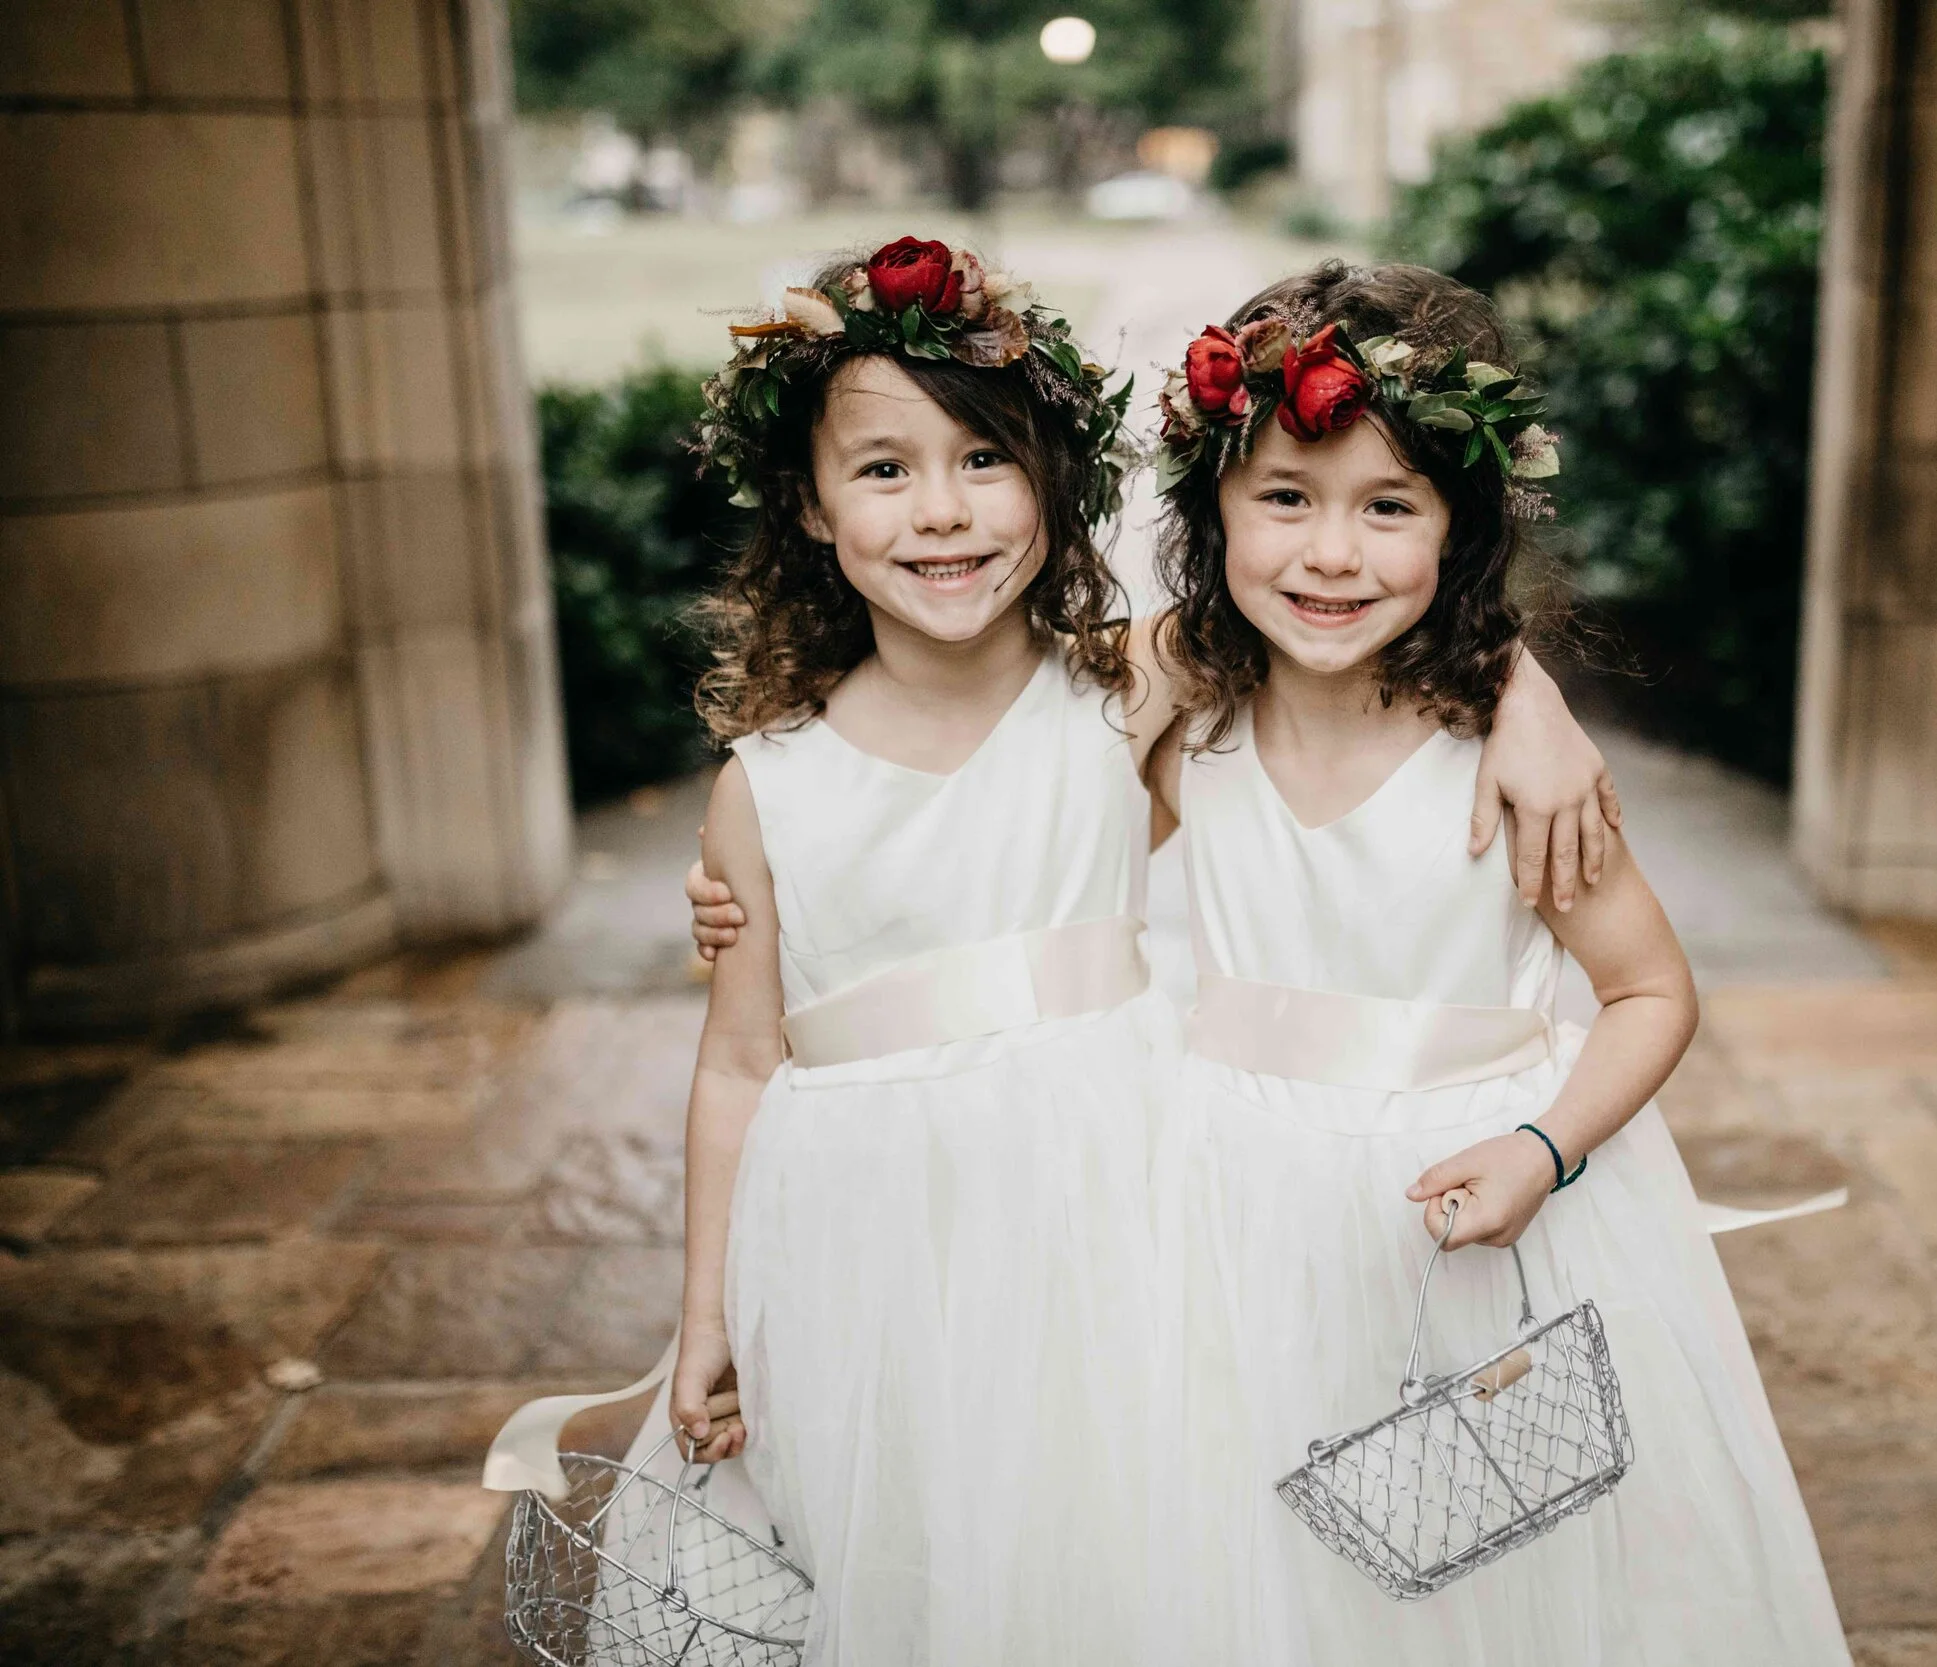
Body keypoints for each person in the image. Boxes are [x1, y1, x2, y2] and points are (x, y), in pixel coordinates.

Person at [502, 236, 1614, 1666]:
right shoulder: (763, 785)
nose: (943, 514)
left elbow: (1339, 614)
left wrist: (1528, 691)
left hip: (1110, 1208)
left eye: (984, 462)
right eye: (884, 471)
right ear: (808, 503)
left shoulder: (1125, 684)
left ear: (1056, 484)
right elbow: (735, 1064)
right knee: (906, 1543)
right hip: (864, 1235)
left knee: (1116, 1552)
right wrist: (706, 1305)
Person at [1138, 261, 1851, 1663]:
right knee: (1256, 1570)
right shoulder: (1184, 716)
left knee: (1496, 1586)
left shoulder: (1510, 768)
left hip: (1471, 1196)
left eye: (1388, 507)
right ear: (1210, 506)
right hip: (1225, 1207)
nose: (1331, 555)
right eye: (1284, 496)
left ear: (1458, 530)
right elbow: (995, 781)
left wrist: (1549, 1144)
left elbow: (1651, 990)